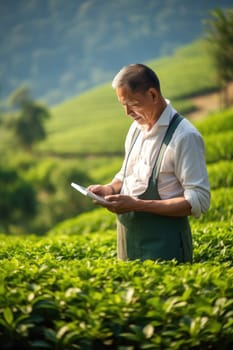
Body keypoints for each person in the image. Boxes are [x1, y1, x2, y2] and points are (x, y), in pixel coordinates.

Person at [88, 63, 210, 263]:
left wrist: (138, 205)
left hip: (166, 246)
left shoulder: (184, 136)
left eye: (133, 104)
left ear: (153, 95)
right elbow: (127, 173)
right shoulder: (136, 128)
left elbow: (199, 200)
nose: (127, 112)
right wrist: (110, 189)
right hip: (128, 243)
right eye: (123, 105)